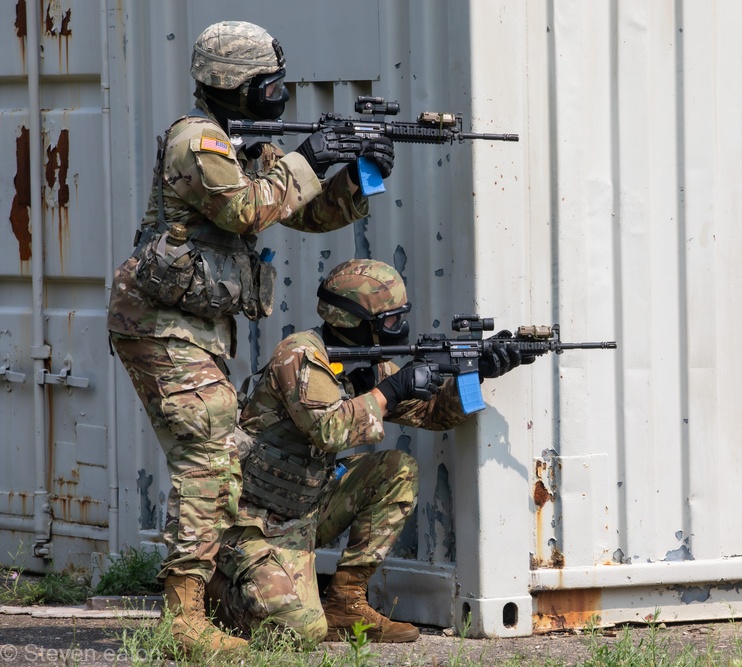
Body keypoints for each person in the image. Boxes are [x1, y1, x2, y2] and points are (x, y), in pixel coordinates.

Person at [106, 21, 395, 654]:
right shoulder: (199, 141)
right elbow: (246, 210)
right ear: (232, 85)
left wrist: (358, 176)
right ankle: (182, 621)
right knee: (206, 455)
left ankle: (214, 593)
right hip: (156, 326)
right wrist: (314, 154)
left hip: (194, 327)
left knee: (218, 457)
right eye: (267, 83)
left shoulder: (248, 143)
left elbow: (305, 211)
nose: (279, 93)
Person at [204, 259, 529, 644]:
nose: (399, 329)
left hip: (308, 505)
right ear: (354, 320)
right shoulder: (301, 356)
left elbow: (432, 415)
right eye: (391, 321)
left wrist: (476, 373)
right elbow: (331, 431)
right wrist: (392, 390)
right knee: (299, 632)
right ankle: (214, 591)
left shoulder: (364, 362)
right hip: (255, 518)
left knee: (397, 470)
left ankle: (345, 601)